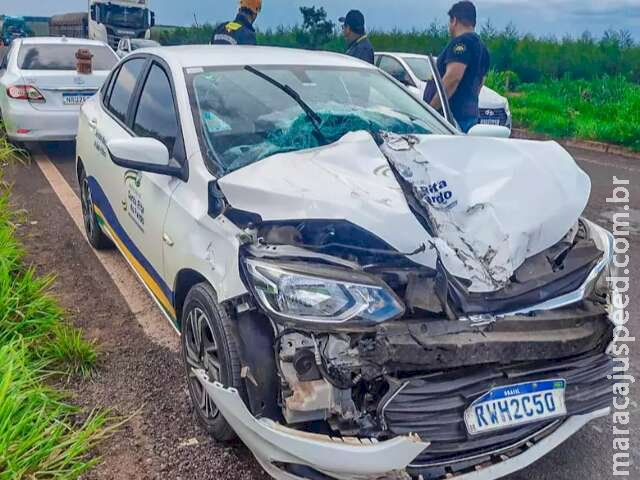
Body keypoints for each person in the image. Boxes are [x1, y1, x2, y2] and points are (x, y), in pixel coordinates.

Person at [424, 1, 490, 132]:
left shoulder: (461, 43)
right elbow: (479, 84)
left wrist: (430, 111)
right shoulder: (482, 48)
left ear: (454, 20)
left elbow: (452, 79)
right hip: (468, 115)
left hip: (450, 119)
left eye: (450, 21)